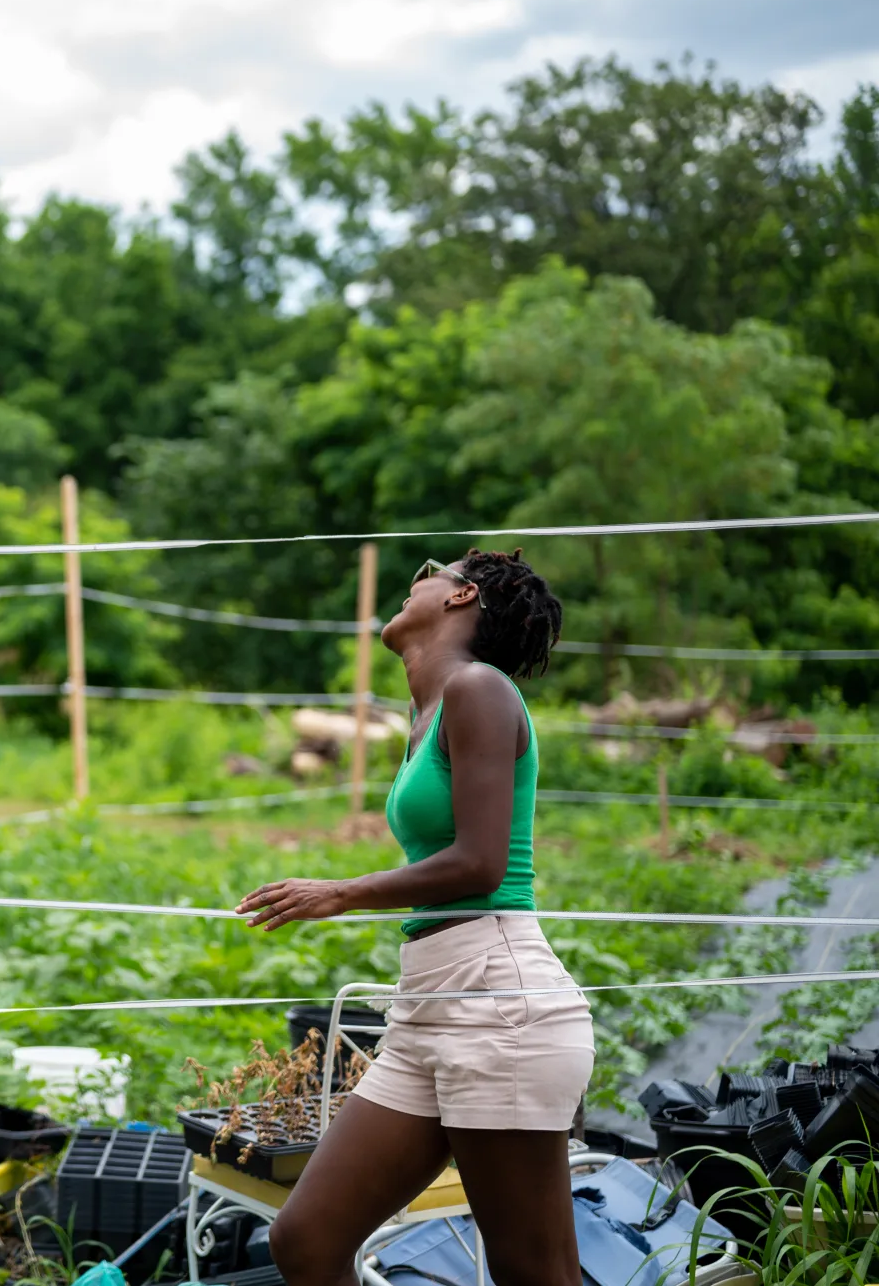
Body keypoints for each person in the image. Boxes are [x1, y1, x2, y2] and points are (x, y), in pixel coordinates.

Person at [236, 549, 586, 1286]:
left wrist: (339, 892)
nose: (414, 577)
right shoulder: (423, 710)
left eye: (433, 567)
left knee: (534, 1273)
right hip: (428, 1002)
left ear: (462, 595)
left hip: (499, 1001)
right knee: (305, 1240)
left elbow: (483, 863)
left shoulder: (479, 689)